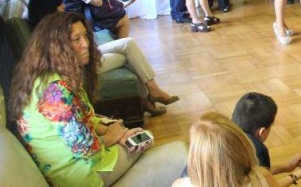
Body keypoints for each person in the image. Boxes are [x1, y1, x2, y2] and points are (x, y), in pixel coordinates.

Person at [9, 12, 178, 186]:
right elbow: (85, 147)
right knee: (145, 137)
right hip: (77, 175)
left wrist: (110, 128)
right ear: (57, 46)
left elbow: (83, 117)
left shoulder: (46, 78)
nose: (86, 44)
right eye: (76, 39)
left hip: (67, 165)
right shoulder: (56, 91)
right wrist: (113, 136)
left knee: (133, 137)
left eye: (85, 36)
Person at [27, 0, 178, 116]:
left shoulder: (52, 25)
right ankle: (146, 98)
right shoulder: (49, 33)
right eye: (60, 6)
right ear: (49, 9)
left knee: (128, 44)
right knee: (127, 57)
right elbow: (68, 61)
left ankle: (152, 92)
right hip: (83, 65)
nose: (64, 7)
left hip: (90, 54)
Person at [173, 112, 301, 187]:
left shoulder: (180, 184)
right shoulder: (260, 178)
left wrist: (286, 167)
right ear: (243, 147)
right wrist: (297, 175)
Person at [231, 92, 301, 185]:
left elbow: (257, 175)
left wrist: (287, 166)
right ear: (262, 132)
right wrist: (299, 174)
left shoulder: (227, 133)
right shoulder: (258, 150)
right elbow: (265, 185)